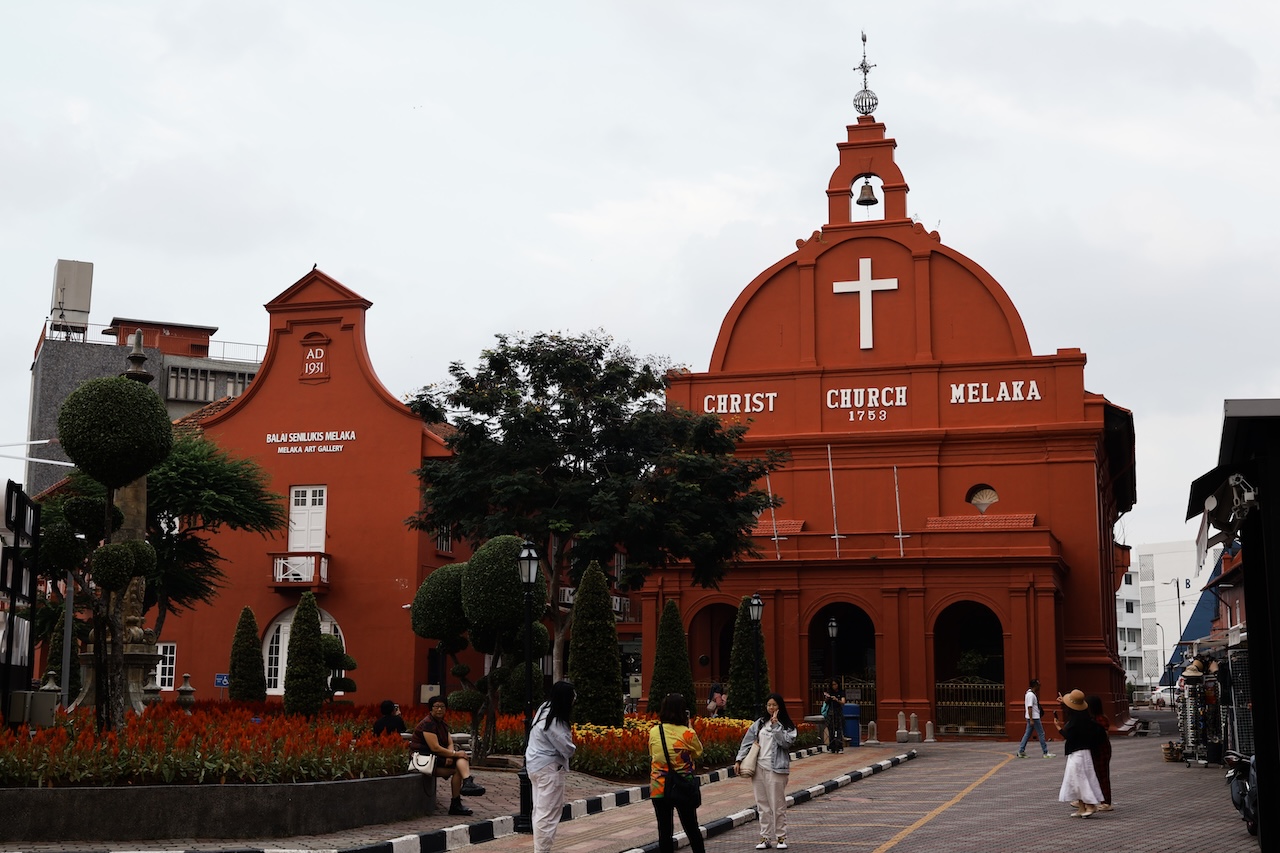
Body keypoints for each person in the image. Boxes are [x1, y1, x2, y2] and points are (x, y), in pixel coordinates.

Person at [735, 692, 797, 850]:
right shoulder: (760, 723)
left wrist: (776, 726)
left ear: (780, 707)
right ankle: (765, 837)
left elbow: (786, 742)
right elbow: (747, 742)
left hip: (776, 769)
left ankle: (781, 837)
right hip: (758, 768)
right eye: (769, 705)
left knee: (778, 804)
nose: (771, 708)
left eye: (774, 705)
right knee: (762, 804)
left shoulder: (787, 725)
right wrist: (739, 759)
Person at [648, 693, 706, 853]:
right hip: (683, 785)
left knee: (664, 831)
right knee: (692, 828)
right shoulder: (688, 733)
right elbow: (698, 753)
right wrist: (690, 728)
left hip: (659, 787)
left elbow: (653, 752)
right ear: (683, 712)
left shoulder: (654, 731)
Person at [410, 696, 486, 816]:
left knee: (458, 765)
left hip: (436, 758)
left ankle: (460, 795)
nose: (439, 709)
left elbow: (449, 742)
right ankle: (467, 783)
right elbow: (434, 747)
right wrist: (454, 754)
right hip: (425, 760)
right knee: (460, 760)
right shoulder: (428, 724)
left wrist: (451, 755)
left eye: (442, 707)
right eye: (436, 707)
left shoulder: (442, 724)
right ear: (431, 709)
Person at [525, 681, 577, 853]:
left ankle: (540, 849)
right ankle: (541, 851)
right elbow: (566, 747)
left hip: (535, 765)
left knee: (540, 811)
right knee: (548, 813)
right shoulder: (554, 720)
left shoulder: (544, 708)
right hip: (548, 768)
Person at [1051, 689, 1103, 818]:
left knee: (1079, 779)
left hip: (1077, 754)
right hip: (1084, 753)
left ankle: (1090, 805)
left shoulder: (1075, 721)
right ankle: (1081, 807)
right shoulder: (1085, 718)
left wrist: (1058, 728)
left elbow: (1069, 736)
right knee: (1078, 779)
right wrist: (1063, 701)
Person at [1085, 694, 1113, 811]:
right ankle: (1092, 799)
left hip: (1101, 749)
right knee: (1094, 774)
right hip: (1099, 748)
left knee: (1102, 775)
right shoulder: (1097, 718)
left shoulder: (1099, 719)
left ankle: (1106, 801)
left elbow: (1103, 735)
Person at [1016, 678, 1053, 758]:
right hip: (1034, 717)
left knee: (1027, 734)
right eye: (1038, 685)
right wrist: (1031, 719)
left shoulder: (1030, 694)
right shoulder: (1031, 695)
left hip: (1033, 717)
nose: (1039, 687)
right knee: (1041, 733)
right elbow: (1030, 707)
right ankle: (1045, 752)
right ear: (1035, 685)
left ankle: (1021, 751)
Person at [821, 679, 846, 753]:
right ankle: (832, 747)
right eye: (833, 685)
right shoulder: (830, 692)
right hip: (830, 712)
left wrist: (836, 699)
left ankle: (839, 747)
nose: (834, 686)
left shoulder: (841, 692)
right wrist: (828, 698)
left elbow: (843, 702)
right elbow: (825, 702)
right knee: (831, 729)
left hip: (838, 712)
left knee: (838, 729)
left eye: (835, 684)